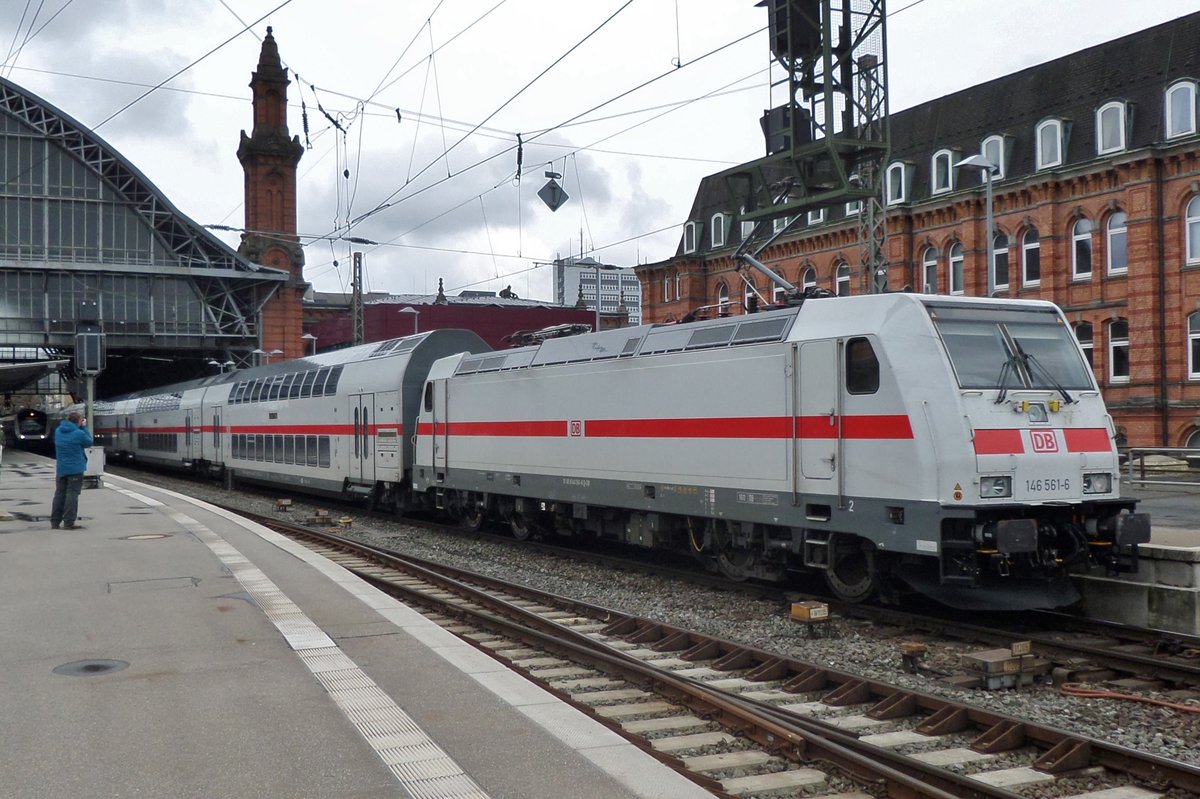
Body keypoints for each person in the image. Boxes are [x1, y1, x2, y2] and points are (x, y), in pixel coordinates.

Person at [51, 411, 93, 530]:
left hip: (61, 469)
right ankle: (69, 522)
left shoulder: (58, 431)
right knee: (72, 495)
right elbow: (89, 442)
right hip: (75, 468)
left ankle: (55, 522)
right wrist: (84, 427)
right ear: (78, 421)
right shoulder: (79, 433)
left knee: (59, 495)